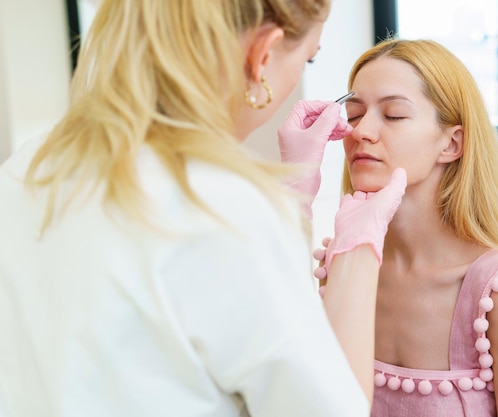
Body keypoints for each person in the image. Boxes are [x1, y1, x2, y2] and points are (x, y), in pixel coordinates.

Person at [0, 1, 408, 416]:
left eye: (394, 114)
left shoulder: (23, 170)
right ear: (261, 55)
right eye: (308, 59)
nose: (362, 131)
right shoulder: (223, 209)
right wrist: (356, 247)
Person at [314, 38, 498, 416]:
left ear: (452, 144)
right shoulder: (343, 265)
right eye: (352, 114)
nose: (361, 131)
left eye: (394, 115)